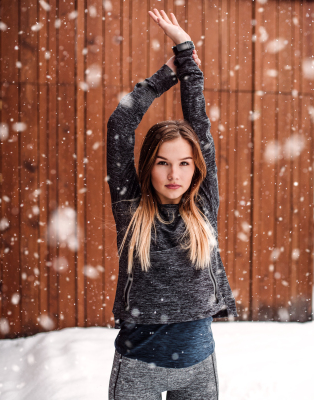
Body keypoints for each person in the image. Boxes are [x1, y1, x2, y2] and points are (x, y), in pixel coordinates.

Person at [106, 8, 238, 400]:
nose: (174, 174)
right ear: (149, 167)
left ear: (195, 167)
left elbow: (200, 126)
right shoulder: (131, 207)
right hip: (137, 370)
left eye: (183, 163)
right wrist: (166, 76)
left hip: (199, 369)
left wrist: (187, 56)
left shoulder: (203, 205)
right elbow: (120, 125)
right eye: (163, 162)